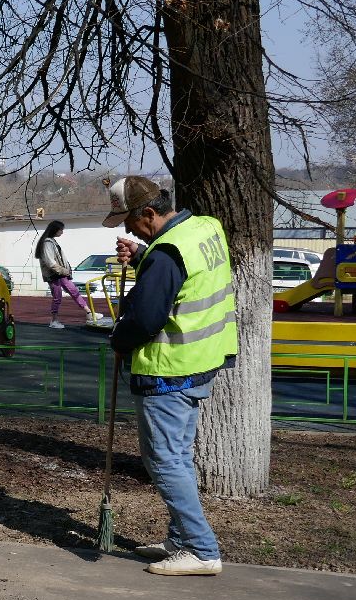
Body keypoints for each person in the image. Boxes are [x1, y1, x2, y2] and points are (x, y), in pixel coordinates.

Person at [104, 176, 238, 576]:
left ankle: (201, 549)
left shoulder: (165, 256)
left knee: (164, 461)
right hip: (200, 363)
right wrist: (146, 253)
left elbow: (145, 317)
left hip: (168, 370)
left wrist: (118, 339)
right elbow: (181, 274)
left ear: (148, 212)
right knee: (178, 458)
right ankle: (180, 541)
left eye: (128, 221)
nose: (126, 228)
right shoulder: (204, 228)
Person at [35, 219, 95, 329]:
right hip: (54, 274)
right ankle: (54, 320)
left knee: (74, 291)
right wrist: (64, 271)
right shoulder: (47, 243)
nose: (62, 232)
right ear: (55, 230)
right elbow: (50, 262)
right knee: (57, 297)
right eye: (61, 230)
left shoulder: (52, 241)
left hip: (61, 273)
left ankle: (89, 313)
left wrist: (66, 271)